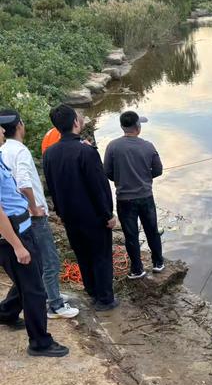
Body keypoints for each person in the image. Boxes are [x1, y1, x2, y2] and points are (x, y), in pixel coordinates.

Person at [0, 113, 68, 357]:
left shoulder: (2, 155)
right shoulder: (16, 152)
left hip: (21, 226)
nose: (2, 132)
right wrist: (18, 245)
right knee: (34, 289)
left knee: (28, 279)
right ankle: (40, 342)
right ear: (20, 125)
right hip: (15, 233)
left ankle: (6, 313)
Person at [43, 105, 118, 311]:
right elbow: (99, 187)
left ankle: (92, 291)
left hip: (69, 216)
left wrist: (59, 212)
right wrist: (108, 214)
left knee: (83, 255)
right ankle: (105, 299)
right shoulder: (86, 151)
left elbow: (51, 187)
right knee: (101, 255)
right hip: (92, 216)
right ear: (76, 123)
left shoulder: (49, 153)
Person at [104, 111, 164, 280]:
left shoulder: (112, 146)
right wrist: (145, 178)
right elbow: (158, 170)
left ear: (123, 127)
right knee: (152, 230)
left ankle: (137, 269)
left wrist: (122, 179)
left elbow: (107, 171)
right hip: (146, 197)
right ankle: (158, 263)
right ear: (138, 127)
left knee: (131, 235)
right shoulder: (148, 146)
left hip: (124, 199)